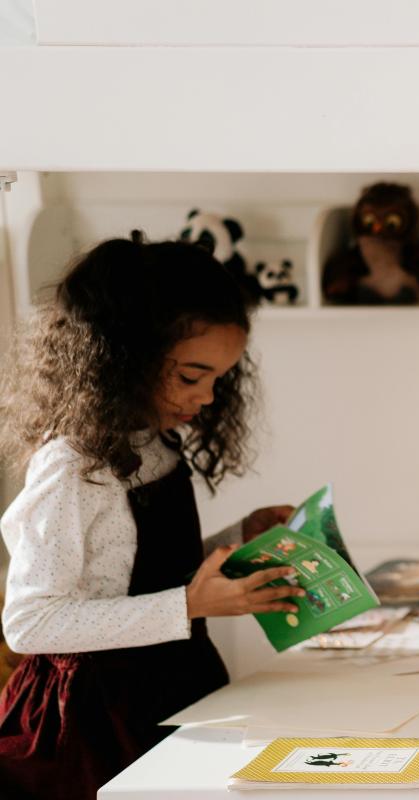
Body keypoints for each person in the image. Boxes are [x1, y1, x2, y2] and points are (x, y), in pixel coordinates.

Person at [0, 233, 307, 800]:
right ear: (124, 356)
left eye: (219, 379)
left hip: (174, 683)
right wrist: (190, 605)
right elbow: (30, 624)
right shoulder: (71, 466)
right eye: (192, 376)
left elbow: (139, 570)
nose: (209, 398)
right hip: (94, 720)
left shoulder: (156, 441)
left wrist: (240, 536)